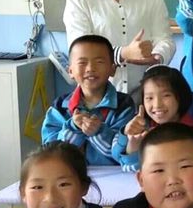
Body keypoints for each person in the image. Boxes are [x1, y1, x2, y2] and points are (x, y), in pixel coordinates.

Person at [42, 34, 135, 165]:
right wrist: (73, 128)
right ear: (70, 71)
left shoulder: (124, 105)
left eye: (99, 62)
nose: (90, 68)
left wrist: (99, 132)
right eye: (82, 62)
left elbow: (125, 153)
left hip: (113, 175)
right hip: (70, 175)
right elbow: (51, 154)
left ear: (112, 69)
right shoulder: (60, 107)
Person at [112, 65, 192, 172]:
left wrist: (134, 152)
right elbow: (118, 159)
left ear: (181, 96)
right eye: (149, 98)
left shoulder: (190, 131)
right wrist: (126, 135)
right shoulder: (140, 127)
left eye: (166, 96)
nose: (157, 104)